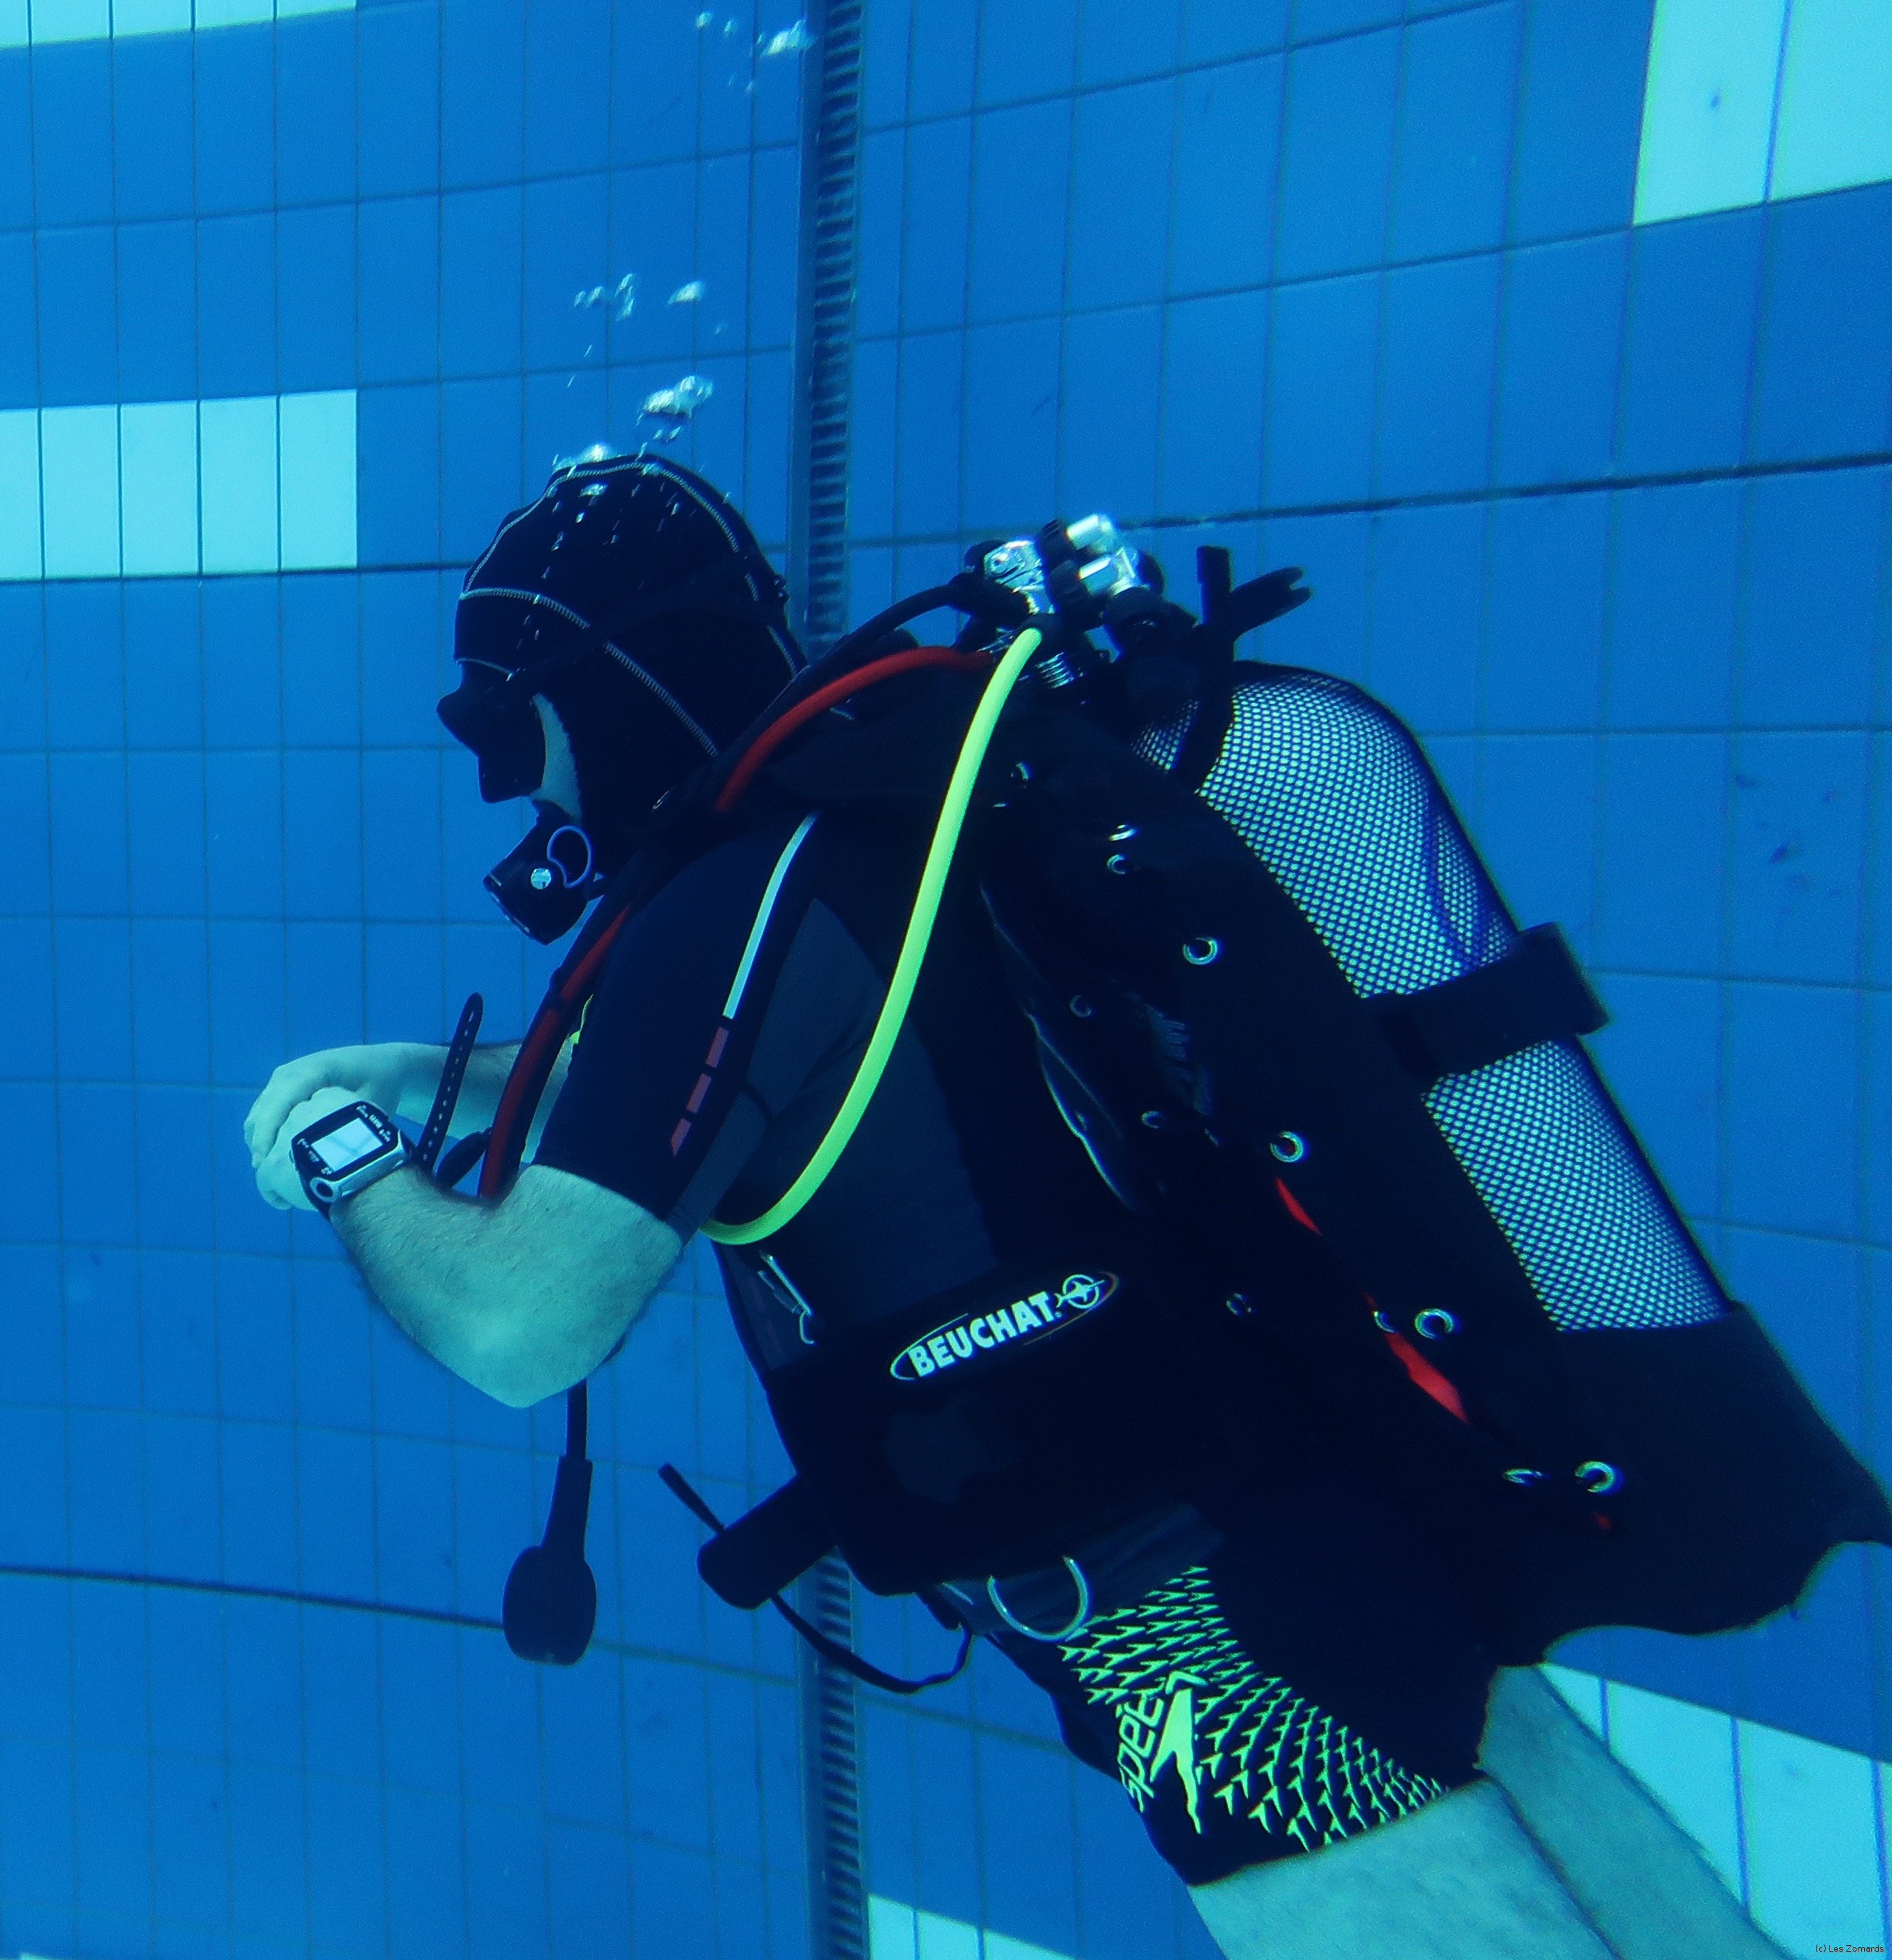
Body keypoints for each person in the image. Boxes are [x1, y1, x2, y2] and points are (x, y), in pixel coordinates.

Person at [243, 453, 1876, 1960]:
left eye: (503, 725)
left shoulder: (733, 911)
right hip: (1315, 1502)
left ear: (612, 685)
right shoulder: (893, 828)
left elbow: (520, 1327)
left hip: (1189, 1640)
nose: (504, 788)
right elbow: (737, 1083)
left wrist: (344, 1159)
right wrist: (430, 1076)